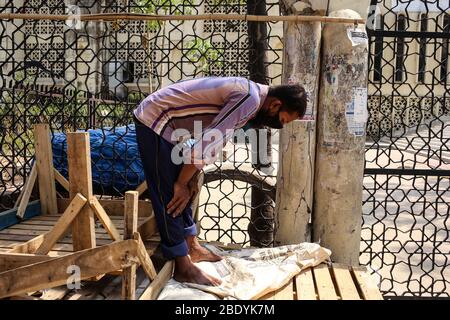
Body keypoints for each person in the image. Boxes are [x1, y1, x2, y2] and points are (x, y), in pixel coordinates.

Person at [133, 76, 307, 286]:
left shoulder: (250, 98)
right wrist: (180, 183)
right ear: (275, 105)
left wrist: (188, 180)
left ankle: (191, 246)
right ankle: (182, 265)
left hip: (172, 126)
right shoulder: (249, 99)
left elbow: (212, 140)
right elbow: (209, 142)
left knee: (186, 188)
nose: (280, 126)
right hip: (155, 118)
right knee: (169, 192)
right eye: (282, 120)